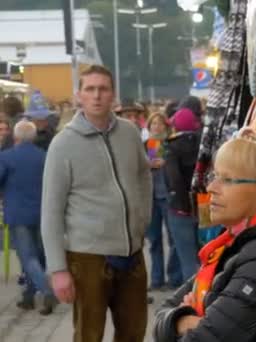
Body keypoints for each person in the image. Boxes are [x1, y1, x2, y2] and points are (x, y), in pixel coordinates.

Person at [154, 137, 256, 341]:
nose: (211, 187)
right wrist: (186, 321)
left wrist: (185, 321)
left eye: (228, 180)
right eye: (214, 176)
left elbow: (206, 338)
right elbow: (161, 316)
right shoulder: (236, 244)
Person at [41, 65, 152, 342]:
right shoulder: (62, 144)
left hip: (132, 253)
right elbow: (51, 211)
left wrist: (141, 222)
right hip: (87, 257)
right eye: (90, 89)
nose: (97, 96)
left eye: (103, 89)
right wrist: (58, 269)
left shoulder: (129, 133)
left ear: (113, 94)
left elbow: (143, 177)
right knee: (89, 335)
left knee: (134, 332)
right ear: (79, 95)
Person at [0, 121, 57, 315]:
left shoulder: (6, 157)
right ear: (34, 137)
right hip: (41, 212)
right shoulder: (44, 156)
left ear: (15, 137)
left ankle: (48, 291)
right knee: (38, 255)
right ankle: (28, 297)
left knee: (27, 257)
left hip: (18, 213)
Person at [163, 108, 202, 282]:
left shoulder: (171, 146)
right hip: (204, 206)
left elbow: (174, 178)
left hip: (180, 209)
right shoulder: (203, 143)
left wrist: (183, 203)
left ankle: (192, 300)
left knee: (187, 259)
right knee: (205, 257)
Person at [145, 112, 182, 290]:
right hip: (150, 198)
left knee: (174, 239)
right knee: (154, 240)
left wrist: (166, 163)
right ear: (149, 127)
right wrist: (146, 164)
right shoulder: (145, 146)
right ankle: (156, 279)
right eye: (153, 124)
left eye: (160, 124)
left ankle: (174, 278)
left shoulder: (170, 145)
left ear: (166, 127)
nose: (157, 127)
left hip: (167, 197)